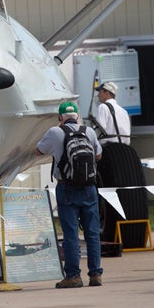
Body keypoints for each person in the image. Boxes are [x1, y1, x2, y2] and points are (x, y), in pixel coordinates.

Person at [35, 101, 103, 288]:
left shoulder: (55, 132)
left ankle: (73, 276)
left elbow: (38, 150)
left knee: (71, 233)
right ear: (77, 116)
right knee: (92, 232)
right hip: (89, 188)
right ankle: (96, 274)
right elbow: (98, 155)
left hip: (66, 188)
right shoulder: (88, 131)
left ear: (60, 118)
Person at [92, 81, 131, 146]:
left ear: (107, 93)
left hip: (110, 149)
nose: (98, 95)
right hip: (125, 149)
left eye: (100, 92)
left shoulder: (103, 107)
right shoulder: (124, 111)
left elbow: (99, 131)